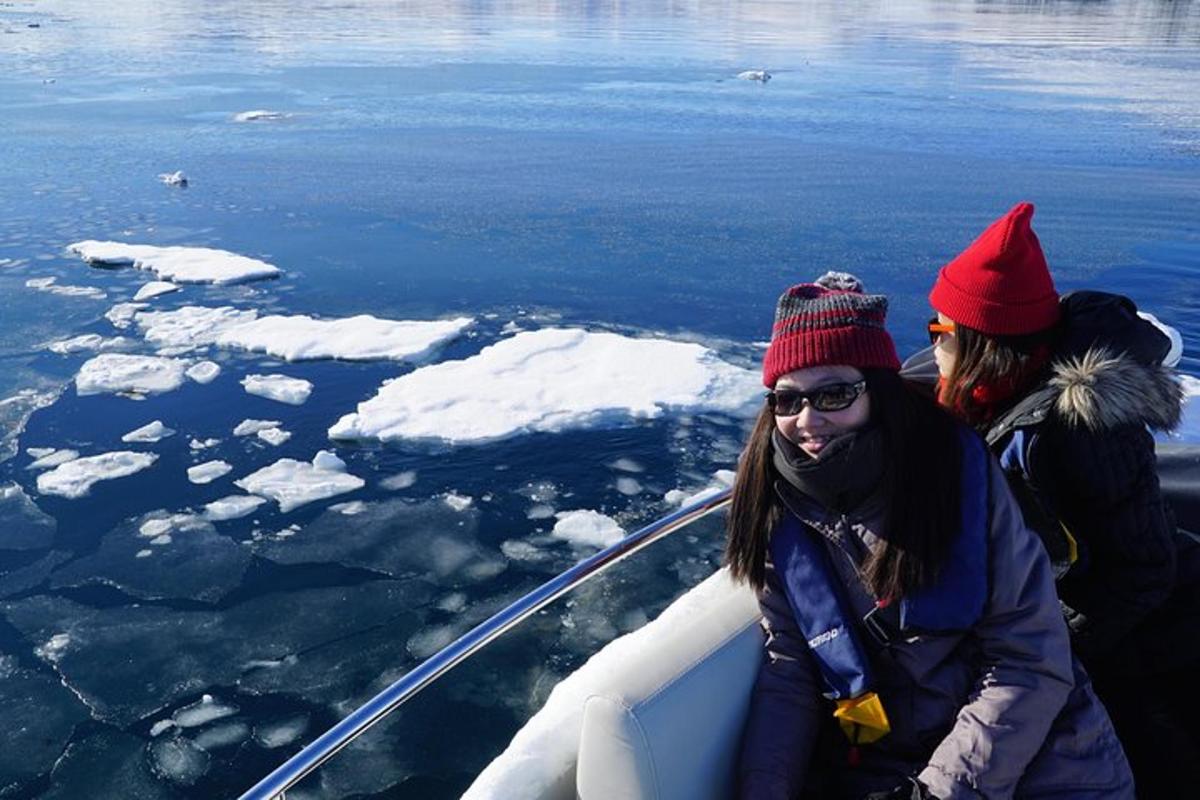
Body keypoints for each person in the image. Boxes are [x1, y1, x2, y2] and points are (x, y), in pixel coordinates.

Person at [730, 274, 1132, 800]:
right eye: (787, 400)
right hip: (892, 763)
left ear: (877, 390)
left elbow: (1028, 658)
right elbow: (792, 670)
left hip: (1047, 763)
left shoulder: (955, 477)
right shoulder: (777, 506)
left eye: (834, 394)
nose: (808, 420)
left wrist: (935, 793)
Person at [924, 201, 1200, 797]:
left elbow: (1144, 569)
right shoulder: (988, 395)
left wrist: (1052, 650)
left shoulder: (1078, 430)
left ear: (985, 344)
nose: (931, 345)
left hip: (1143, 640)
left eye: (940, 331)